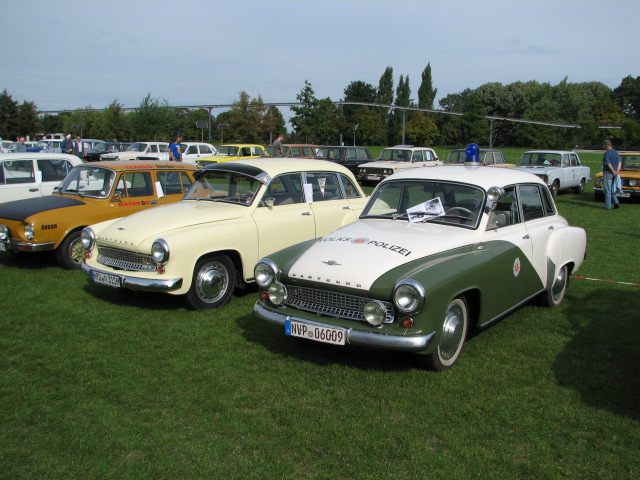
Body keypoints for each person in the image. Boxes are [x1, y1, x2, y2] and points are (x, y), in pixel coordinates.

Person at [602, 139, 621, 210]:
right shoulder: (616, 152)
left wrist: (613, 171)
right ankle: (616, 203)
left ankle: (607, 206)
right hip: (615, 173)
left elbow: (608, 163)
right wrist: (617, 172)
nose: (603, 147)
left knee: (607, 190)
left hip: (608, 173)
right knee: (612, 189)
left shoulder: (607, 153)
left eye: (604, 145)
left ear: (607, 145)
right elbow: (619, 163)